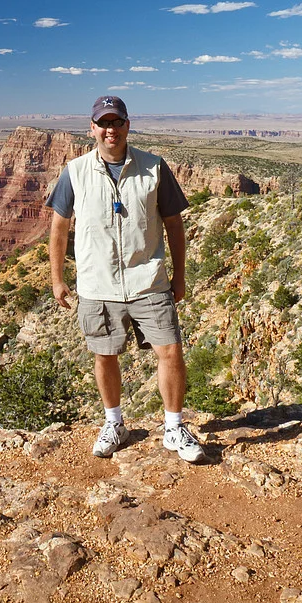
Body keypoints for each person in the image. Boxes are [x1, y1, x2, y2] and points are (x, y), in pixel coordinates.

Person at [46, 95, 204, 462]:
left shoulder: (154, 168)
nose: (110, 129)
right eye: (103, 123)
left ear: (127, 125)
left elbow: (174, 225)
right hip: (97, 283)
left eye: (116, 122)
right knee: (105, 356)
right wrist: (57, 278)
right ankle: (114, 423)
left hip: (148, 279)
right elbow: (58, 227)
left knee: (171, 351)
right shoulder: (75, 171)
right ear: (92, 129)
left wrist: (179, 275)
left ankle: (174, 426)